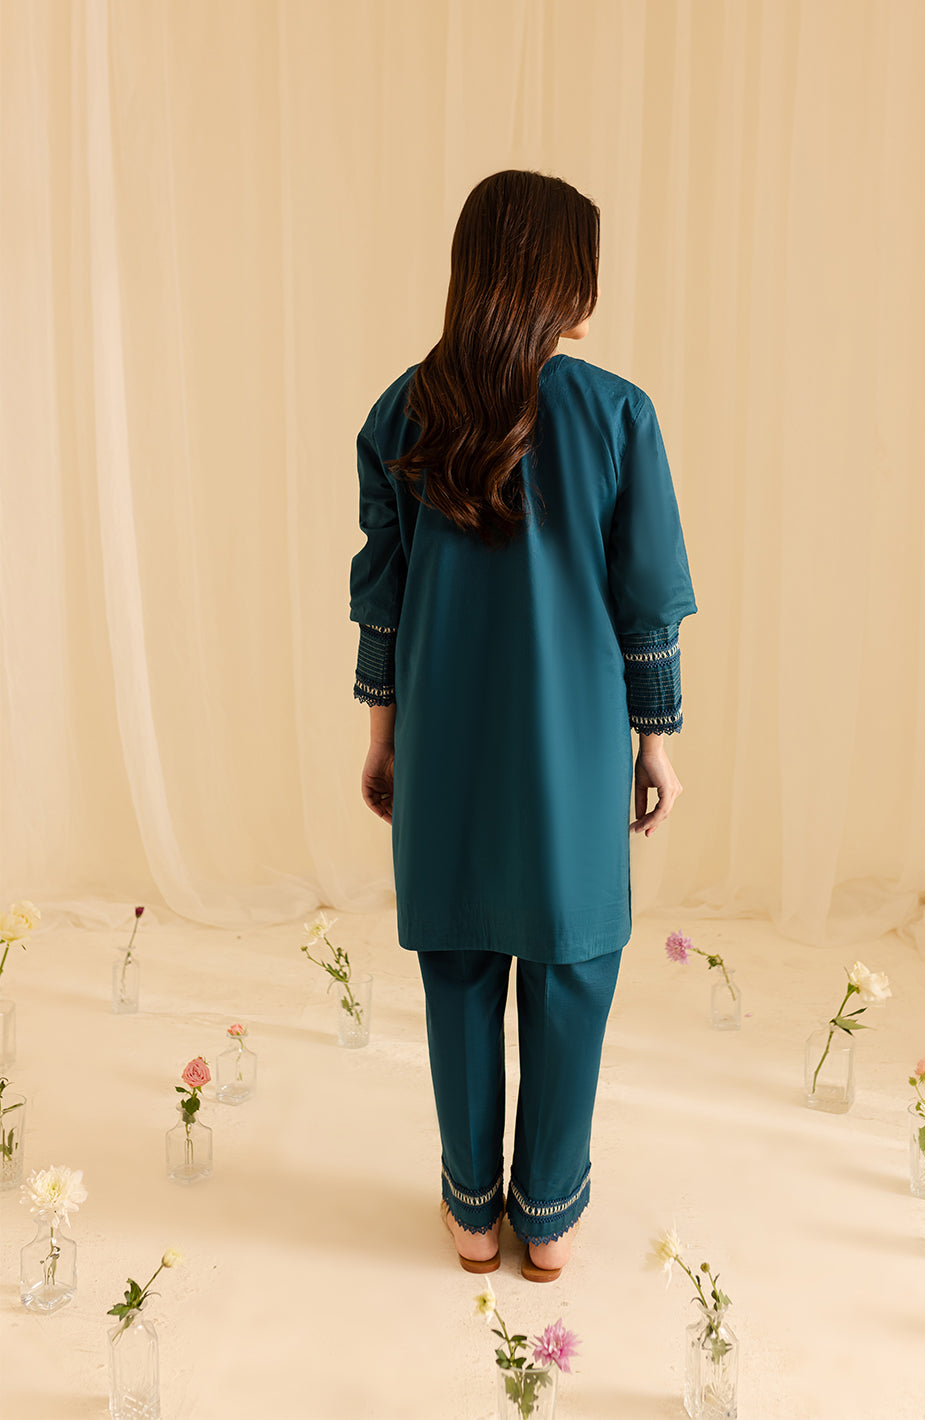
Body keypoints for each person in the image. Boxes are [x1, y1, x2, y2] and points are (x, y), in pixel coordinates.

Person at [348, 169, 697, 1282]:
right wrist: (654, 743)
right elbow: (646, 604)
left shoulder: (404, 410)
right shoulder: (616, 412)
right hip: (571, 747)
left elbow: (382, 600)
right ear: (556, 279)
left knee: (457, 961)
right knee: (571, 965)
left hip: (444, 740)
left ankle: (470, 1214)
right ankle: (546, 1218)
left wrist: (381, 737)